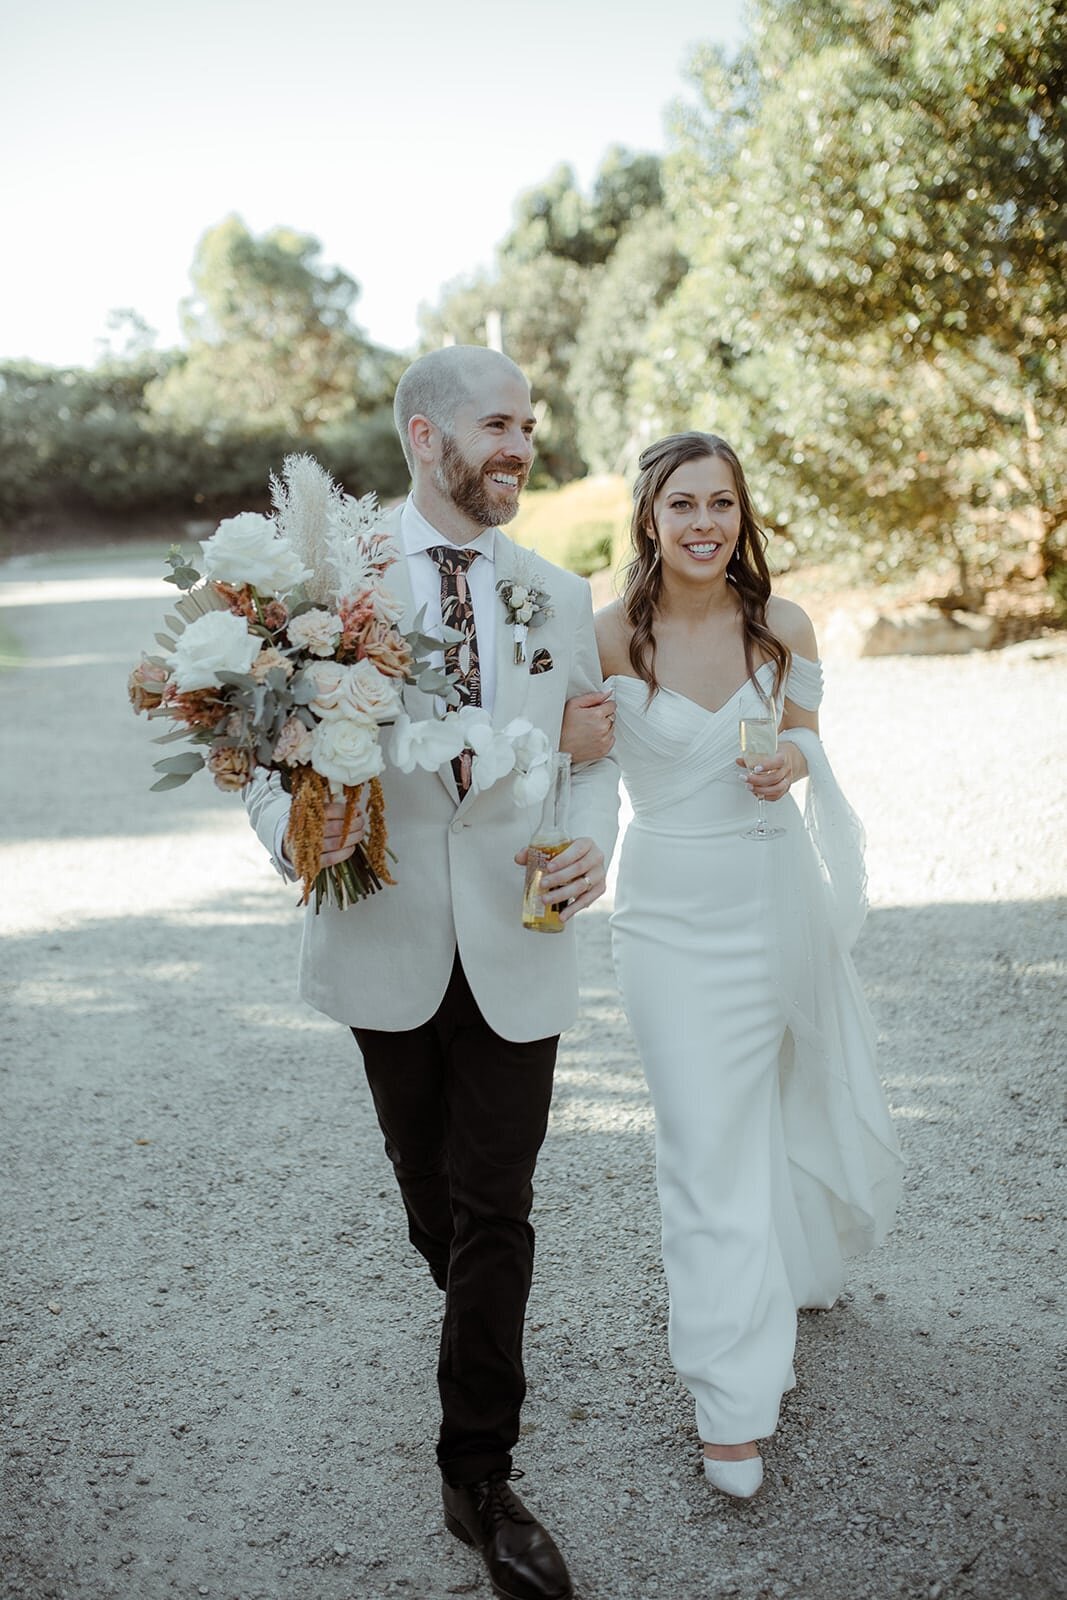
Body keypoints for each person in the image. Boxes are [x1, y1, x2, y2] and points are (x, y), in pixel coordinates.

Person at [245, 346, 618, 1599]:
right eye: (499, 424)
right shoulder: (324, 585)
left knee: (497, 1204)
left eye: (530, 425)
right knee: (435, 1205)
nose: (520, 446)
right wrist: (301, 837)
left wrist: (592, 847)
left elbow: (592, 753)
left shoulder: (558, 594)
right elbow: (261, 758)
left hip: (521, 933)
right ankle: (477, 1321)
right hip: (383, 933)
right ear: (424, 435)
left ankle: (479, 1472)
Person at [560, 431, 901, 1500]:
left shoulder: (781, 626)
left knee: (757, 1105)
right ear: (647, 520)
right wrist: (571, 778)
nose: (703, 524)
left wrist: (791, 758)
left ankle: (779, 1272)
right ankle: (729, 1398)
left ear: (739, 515)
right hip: (662, 915)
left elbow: (806, 737)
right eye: (680, 506)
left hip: (764, 898)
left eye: (720, 504)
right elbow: (577, 769)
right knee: (700, 1141)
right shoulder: (606, 633)